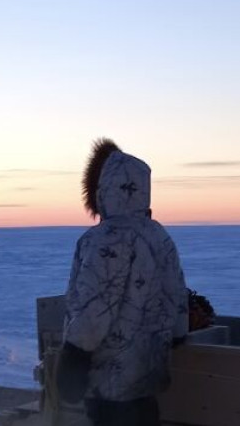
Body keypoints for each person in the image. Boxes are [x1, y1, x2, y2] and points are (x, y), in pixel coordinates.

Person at [58, 138, 189, 426]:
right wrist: (176, 332)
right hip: (148, 374)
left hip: (110, 381)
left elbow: (96, 305)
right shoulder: (159, 235)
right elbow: (176, 293)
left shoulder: (103, 239)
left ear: (104, 189)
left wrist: (75, 356)